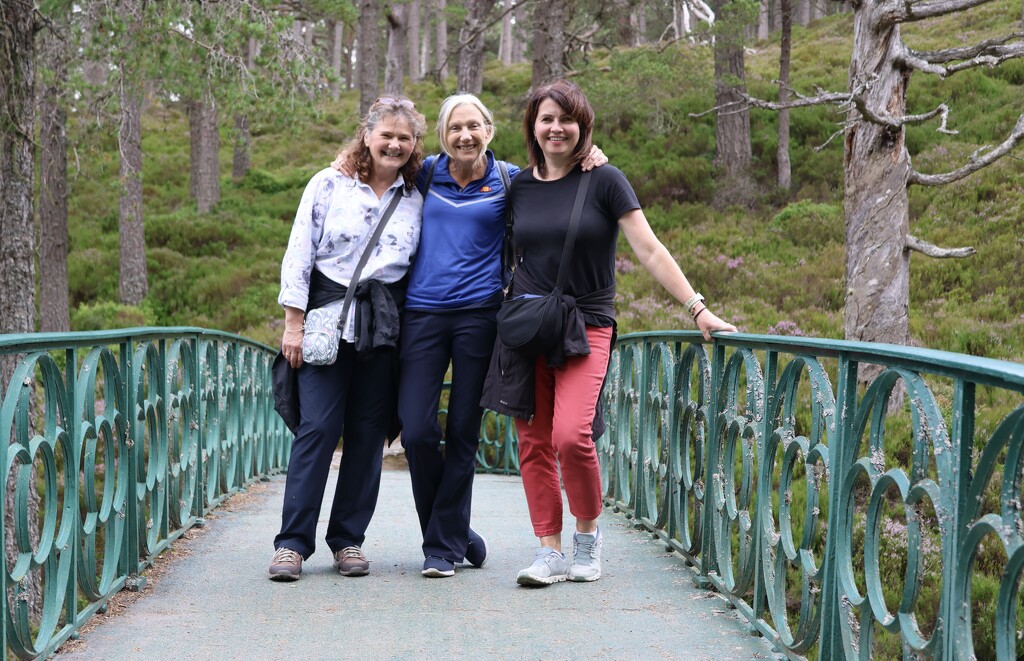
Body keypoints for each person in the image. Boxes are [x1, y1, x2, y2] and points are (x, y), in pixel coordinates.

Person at [334, 93, 605, 578]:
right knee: (414, 428)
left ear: (489, 131)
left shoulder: (510, 182)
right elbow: (375, 162)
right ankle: (458, 533)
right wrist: (346, 159)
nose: (465, 135)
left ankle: (440, 548)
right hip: (422, 315)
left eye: (474, 126)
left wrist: (591, 154)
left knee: (462, 431)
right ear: (441, 134)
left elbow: (556, 184)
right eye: (455, 127)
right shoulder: (425, 173)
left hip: (482, 319)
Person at [481, 79, 737, 587]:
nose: (557, 128)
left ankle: (587, 537)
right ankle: (548, 550)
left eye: (567, 119)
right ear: (533, 125)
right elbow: (461, 185)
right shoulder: (517, 185)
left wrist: (697, 309)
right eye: (547, 118)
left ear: (583, 127)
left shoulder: (605, 179)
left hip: (586, 324)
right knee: (532, 442)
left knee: (571, 434)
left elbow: (650, 249)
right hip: (527, 328)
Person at [268, 98, 427, 581]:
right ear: (367, 136)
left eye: (405, 137)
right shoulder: (329, 183)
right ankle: (291, 545)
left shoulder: (420, 191)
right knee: (317, 427)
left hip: (383, 327)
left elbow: (475, 164)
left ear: (414, 144)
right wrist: (292, 324)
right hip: (325, 321)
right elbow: (299, 253)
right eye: (386, 135)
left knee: (367, 436)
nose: (395, 144)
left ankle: (348, 540)